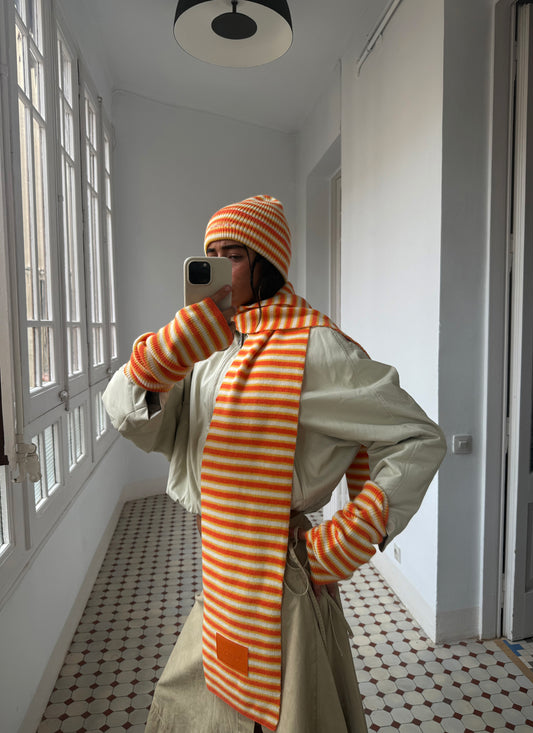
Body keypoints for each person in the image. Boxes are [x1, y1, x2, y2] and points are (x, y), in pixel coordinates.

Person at [103, 194, 446, 733]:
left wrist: (350, 536)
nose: (219, 266)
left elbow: (418, 438)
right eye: (211, 254)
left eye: (234, 255)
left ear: (267, 264)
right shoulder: (208, 344)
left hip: (283, 577)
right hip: (221, 566)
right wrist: (162, 358)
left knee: (287, 713)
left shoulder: (316, 347)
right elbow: (141, 426)